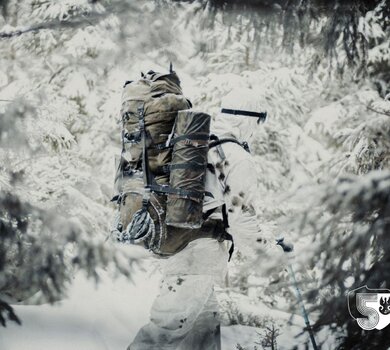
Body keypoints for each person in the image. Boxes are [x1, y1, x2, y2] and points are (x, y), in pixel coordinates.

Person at [128, 88, 264, 350]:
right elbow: (240, 218)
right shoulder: (236, 157)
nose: (257, 129)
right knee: (165, 331)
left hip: (182, 246)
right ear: (247, 119)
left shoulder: (201, 145)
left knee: (203, 331)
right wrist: (268, 251)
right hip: (199, 257)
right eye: (257, 121)